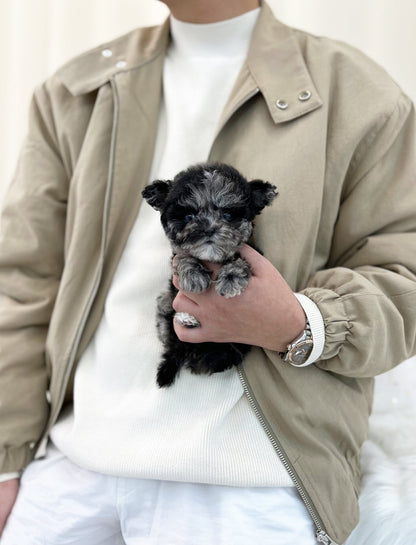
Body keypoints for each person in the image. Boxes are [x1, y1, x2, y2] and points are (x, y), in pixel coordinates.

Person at [0, 0, 415, 543]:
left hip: (248, 484)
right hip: (69, 468)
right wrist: (7, 455)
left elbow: (402, 272)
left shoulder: (357, 94)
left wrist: (298, 320)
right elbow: (25, 279)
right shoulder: (77, 91)